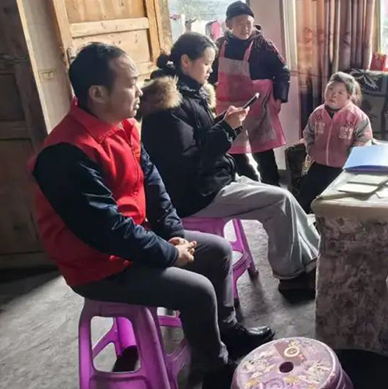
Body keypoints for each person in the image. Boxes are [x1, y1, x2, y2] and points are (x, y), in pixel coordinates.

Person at [29, 42, 273, 389]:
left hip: (135, 240)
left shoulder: (123, 125)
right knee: (197, 290)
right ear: (98, 93)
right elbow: (107, 230)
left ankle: (227, 331)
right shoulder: (65, 154)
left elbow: (154, 184)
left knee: (218, 251)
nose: (141, 91)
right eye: (131, 83)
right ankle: (216, 372)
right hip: (97, 265)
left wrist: (173, 234)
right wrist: (168, 254)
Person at [139, 33, 319, 293]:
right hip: (196, 194)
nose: (210, 70)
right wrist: (225, 128)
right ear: (186, 61)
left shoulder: (188, 93)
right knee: (279, 200)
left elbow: (198, 139)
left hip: (212, 181)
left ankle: (313, 261)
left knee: (285, 199)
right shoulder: (168, 107)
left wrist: (224, 123)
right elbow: (191, 161)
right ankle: (291, 277)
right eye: (206, 63)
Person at [209, 1, 289, 185]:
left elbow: (282, 71)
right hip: (229, 109)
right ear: (229, 24)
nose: (245, 28)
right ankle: (252, 184)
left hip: (259, 108)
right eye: (240, 23)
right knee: (234, 153)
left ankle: (272, 188)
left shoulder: (264, 45)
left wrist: (279, 98)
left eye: (249, 23)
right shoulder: (219, 46)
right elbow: (210, 75)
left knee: (264, 155)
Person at [299, 72, 373, 212]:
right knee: (304, 199)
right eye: (330, 89)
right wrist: (311, 149)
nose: (333, 95)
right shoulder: (317, 114)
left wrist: (351, 155)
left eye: (340, 92)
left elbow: (364, 140)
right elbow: (308, 132)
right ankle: (302, 222)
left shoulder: (357, 117)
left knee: (334, 205)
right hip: (319, 165)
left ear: (349, 96)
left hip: (342, 169)